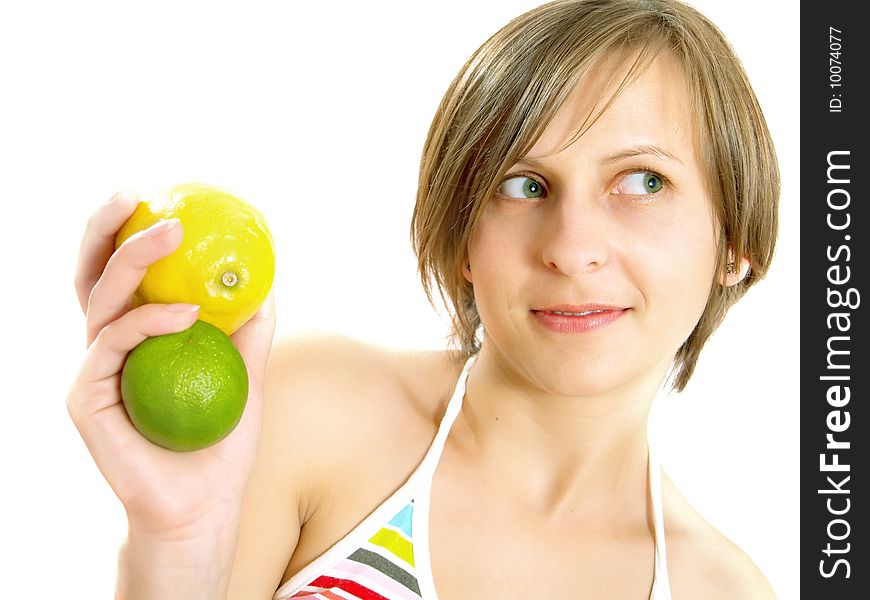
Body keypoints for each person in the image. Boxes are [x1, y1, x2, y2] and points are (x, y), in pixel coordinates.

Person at [67, 0, 780, 597]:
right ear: (466, 238)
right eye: (523, 184)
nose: (571, 247)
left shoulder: (720, 588)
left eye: (643, 182)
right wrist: (178, 545)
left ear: (733, 242)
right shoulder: (311, 412)